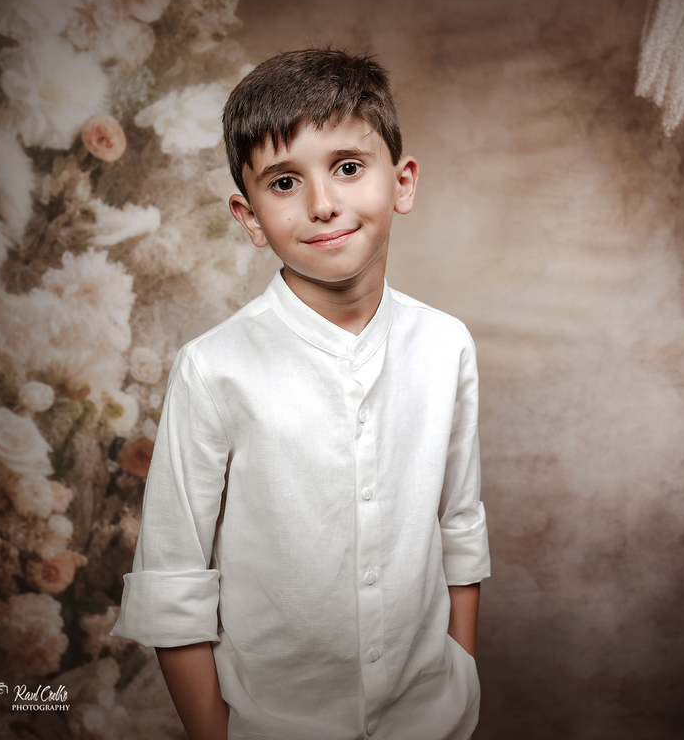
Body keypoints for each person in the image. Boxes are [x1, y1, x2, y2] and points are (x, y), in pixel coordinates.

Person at [112, 48, 490, 740]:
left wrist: (459, 671)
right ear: (250, 217)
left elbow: (458, 525)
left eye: (348, 168)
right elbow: (174, 582)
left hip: (432, 720)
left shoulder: (446, 346)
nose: (322, 204)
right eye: (285, 183)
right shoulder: (212, 370)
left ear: (402, 182)